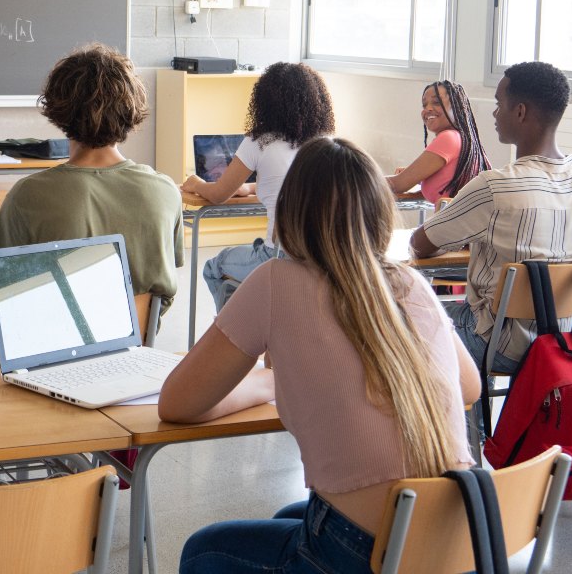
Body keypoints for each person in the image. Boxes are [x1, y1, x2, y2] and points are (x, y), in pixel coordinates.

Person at [160, 137, 478, 574]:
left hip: (367, 552)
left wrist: (269, 383)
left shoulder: (275, 281)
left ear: (291, 210)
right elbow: (469, 385)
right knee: (288, 519)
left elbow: (177, 404)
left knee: (202, 551)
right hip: (455, 540)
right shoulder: (408, 283)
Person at [410, 61, 572, 374]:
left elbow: (421, 243)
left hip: (499, 344)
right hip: (570, 342)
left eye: (498, 104)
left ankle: (463, 422)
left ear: (520, 111)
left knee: (407, 319)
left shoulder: (494, 187)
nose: (494, 113)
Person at [0, 43, 182, 324]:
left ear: (59, 108)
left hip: (43, 366)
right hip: (131, 362)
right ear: (131, 107)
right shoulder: (165, 191)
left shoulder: (31, 195)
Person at [179, 62, 335, 310]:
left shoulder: (259, 142)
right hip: (324, 257)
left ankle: (236, 339)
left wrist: (197, 182)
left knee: (213, 267)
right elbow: (296, 184)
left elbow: (219, 195)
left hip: (280, 258)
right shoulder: (326, 143)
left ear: (265, 101)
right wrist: (252, 188)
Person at [386, 79, 490, 202]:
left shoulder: (448, 138)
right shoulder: (463, 139)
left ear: (457, 108)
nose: (428, 108)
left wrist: (361, 177)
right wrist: (414, 174)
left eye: (436, 102)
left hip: (449, 221)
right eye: (424, 105)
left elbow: (398, 185)